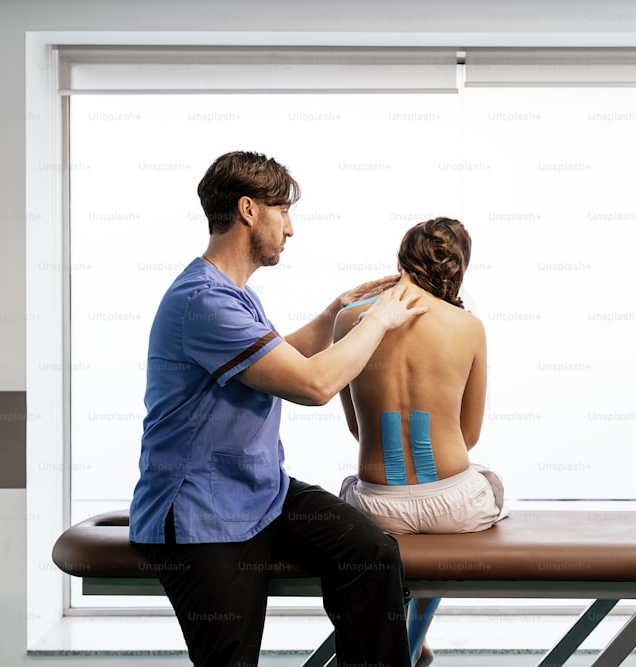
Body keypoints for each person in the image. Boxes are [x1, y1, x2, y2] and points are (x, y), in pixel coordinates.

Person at [128, 151, 427, 667]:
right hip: (203, 512)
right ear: (248, 210)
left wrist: (337, 312)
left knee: (371, 557)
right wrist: (378, 321)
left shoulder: (232, 293)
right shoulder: (204, 301)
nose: (290, 229)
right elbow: (313, 385)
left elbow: (276, 357)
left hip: (260, 491)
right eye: (282, 210)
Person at [333, 217, 508, 665]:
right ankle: (411, 642)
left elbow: (357, 429)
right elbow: (468, 437)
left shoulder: (350, 320)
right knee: (488, 480)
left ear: (399, 262)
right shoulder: (468, 327)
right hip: (454, 506)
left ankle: (403, 640)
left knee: (352, 493)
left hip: (377, 509)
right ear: (457, 269)